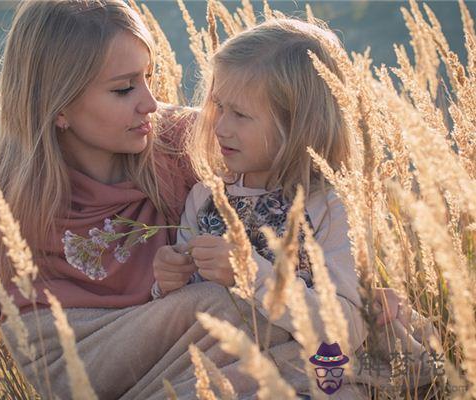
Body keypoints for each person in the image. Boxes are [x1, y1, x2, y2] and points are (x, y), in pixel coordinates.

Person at [0, 1, 419, 399]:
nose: (150, 102)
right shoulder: (8, 208)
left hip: (223, 340)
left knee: (264, 314)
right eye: (124, 88)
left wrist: (348, 290)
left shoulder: (182, 143)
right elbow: (50, 357)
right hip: (99, 352)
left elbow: (291, 175)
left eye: (149, 78)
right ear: (58, 105)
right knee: (219, 306)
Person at [151, 17, 436, 398]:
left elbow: (347, 328)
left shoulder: (330, 207)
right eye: (218, 106)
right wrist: (165, 284)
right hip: (227, 371)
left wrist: (250, 272)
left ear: (297, 125)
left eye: (241, 115)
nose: (219, 127)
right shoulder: (206, 198)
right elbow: (187, 315)